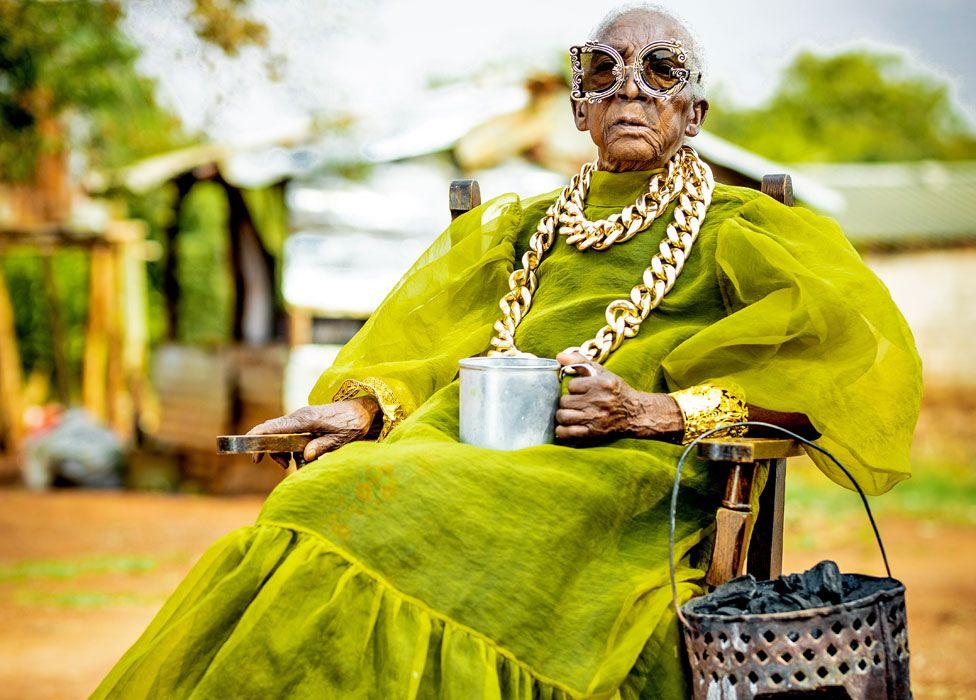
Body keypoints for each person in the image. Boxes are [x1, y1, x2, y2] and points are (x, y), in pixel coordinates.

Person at [95, 4, 921, 698]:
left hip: (622, 468)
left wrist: (652, 409)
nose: (629, 87)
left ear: (694, 112)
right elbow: (436, 353)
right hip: (473, 439)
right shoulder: (525, 231)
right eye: (603, 72)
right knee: (324, 497)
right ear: (578, 109)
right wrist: (363, 406)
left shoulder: (745, 233)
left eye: (660, 70)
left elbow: (835, 375)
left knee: (411, 505)